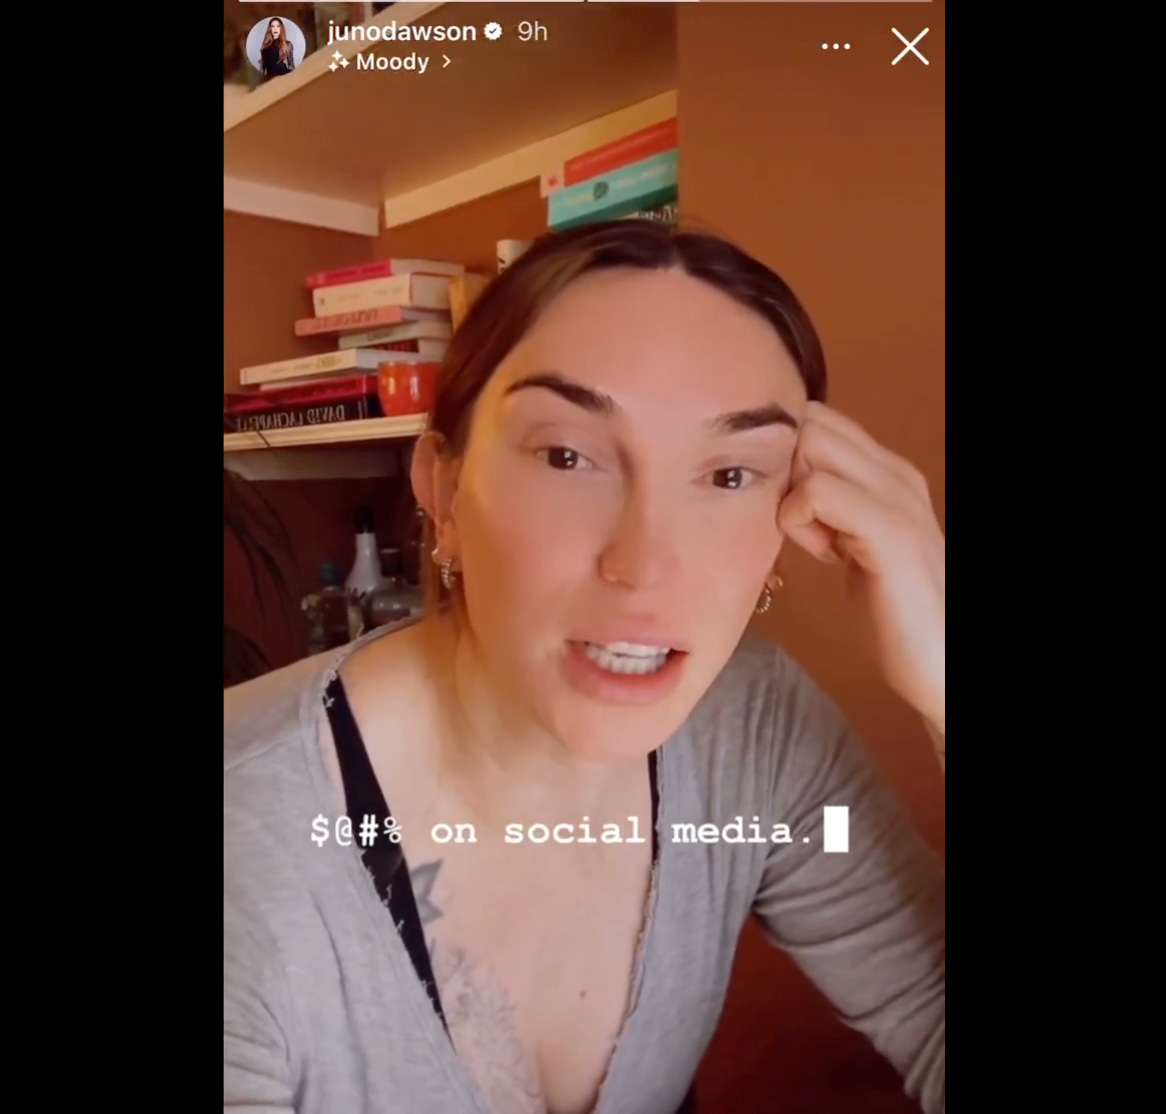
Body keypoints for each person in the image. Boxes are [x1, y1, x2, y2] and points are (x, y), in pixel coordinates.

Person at [224, 220, 945, 1114]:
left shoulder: (756, 745)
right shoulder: (248, 836)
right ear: (442, 488)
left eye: (730, 475)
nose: (643, 564)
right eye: (566, 455)